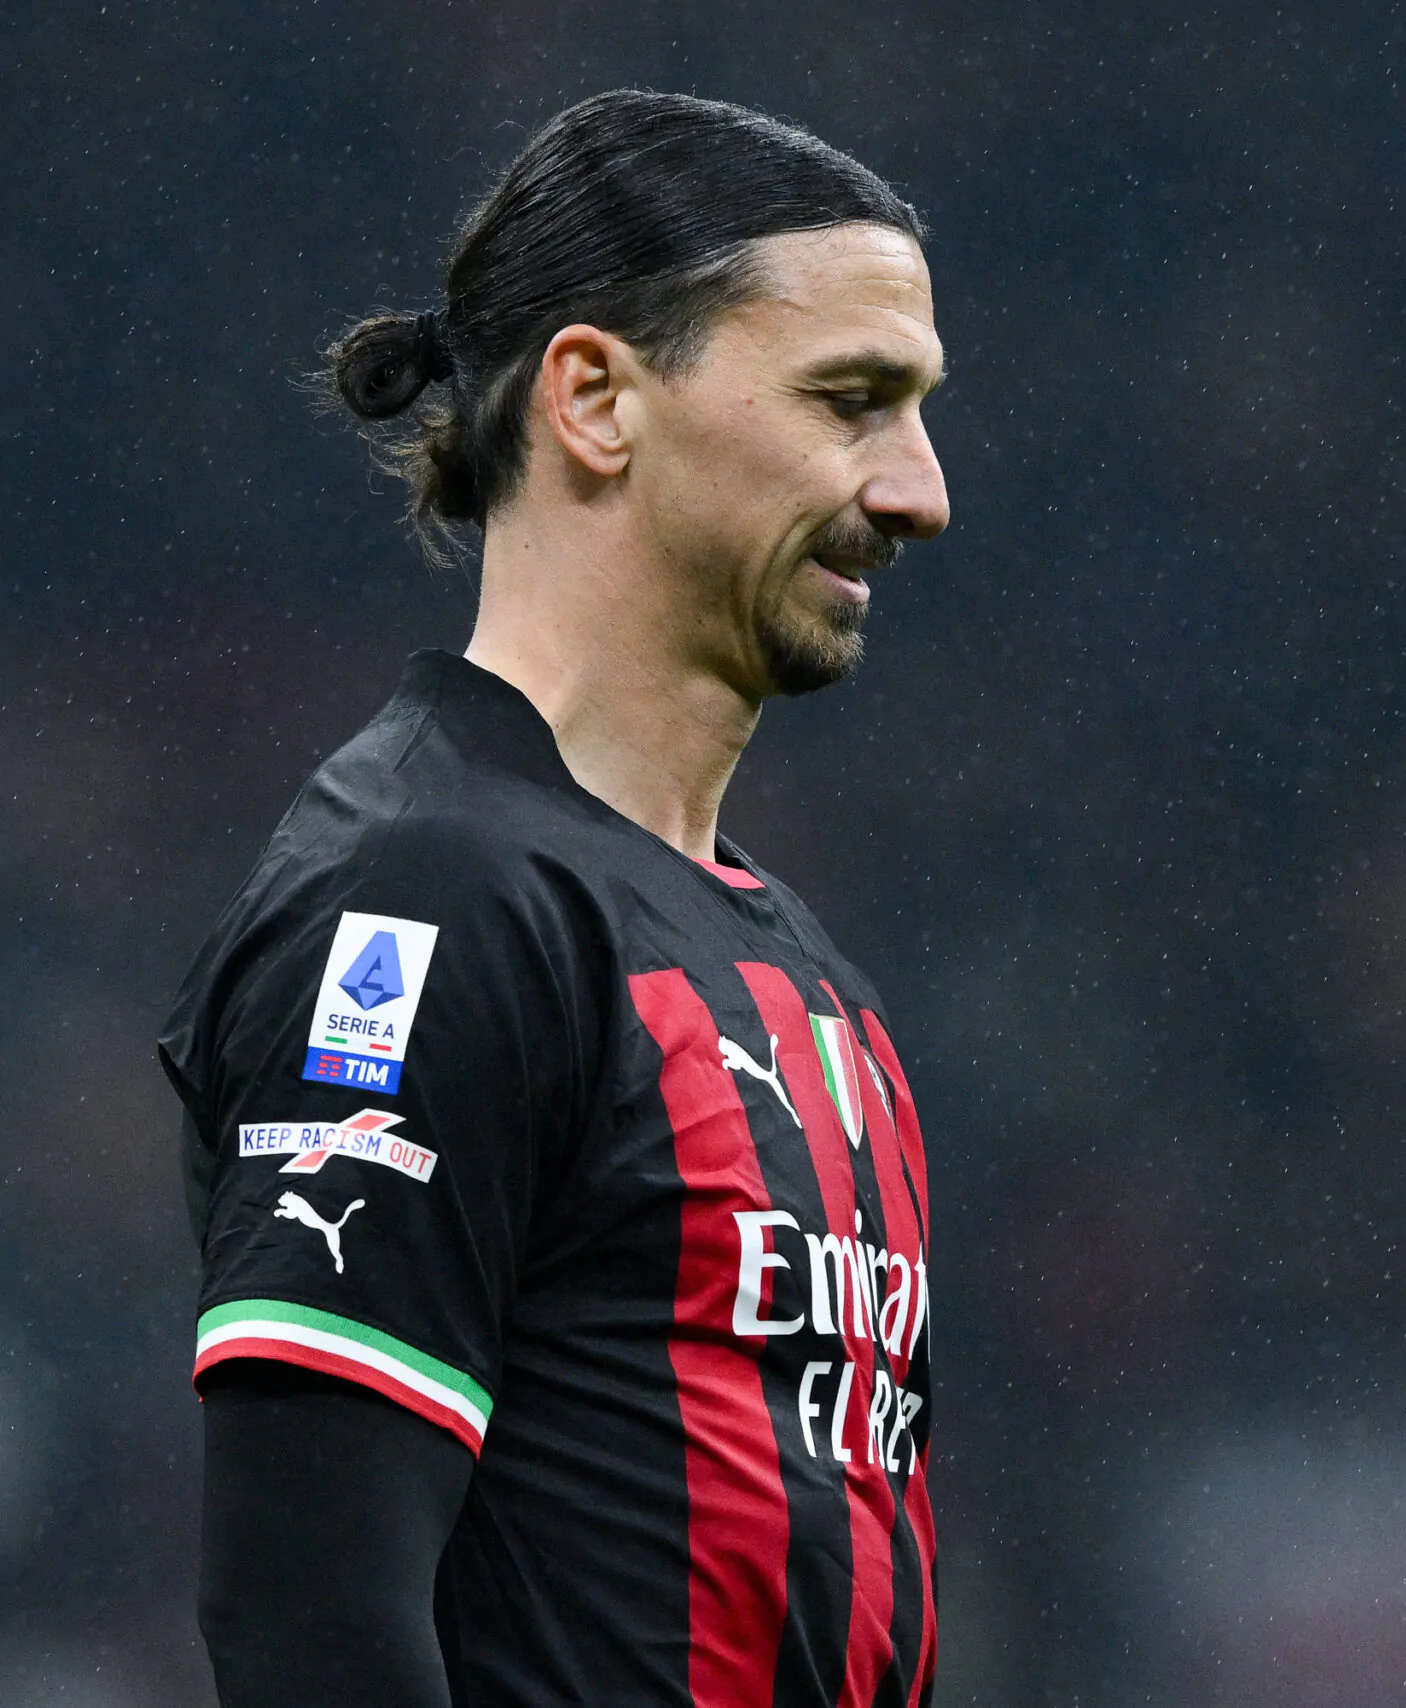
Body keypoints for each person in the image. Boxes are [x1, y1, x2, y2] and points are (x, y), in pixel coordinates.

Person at [158, 90, 951, 1708]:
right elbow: (312, 1626)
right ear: (595, 397)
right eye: (850, 401)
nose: (920, 490)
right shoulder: (423, 901)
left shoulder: (800, 972)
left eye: (918, 410)